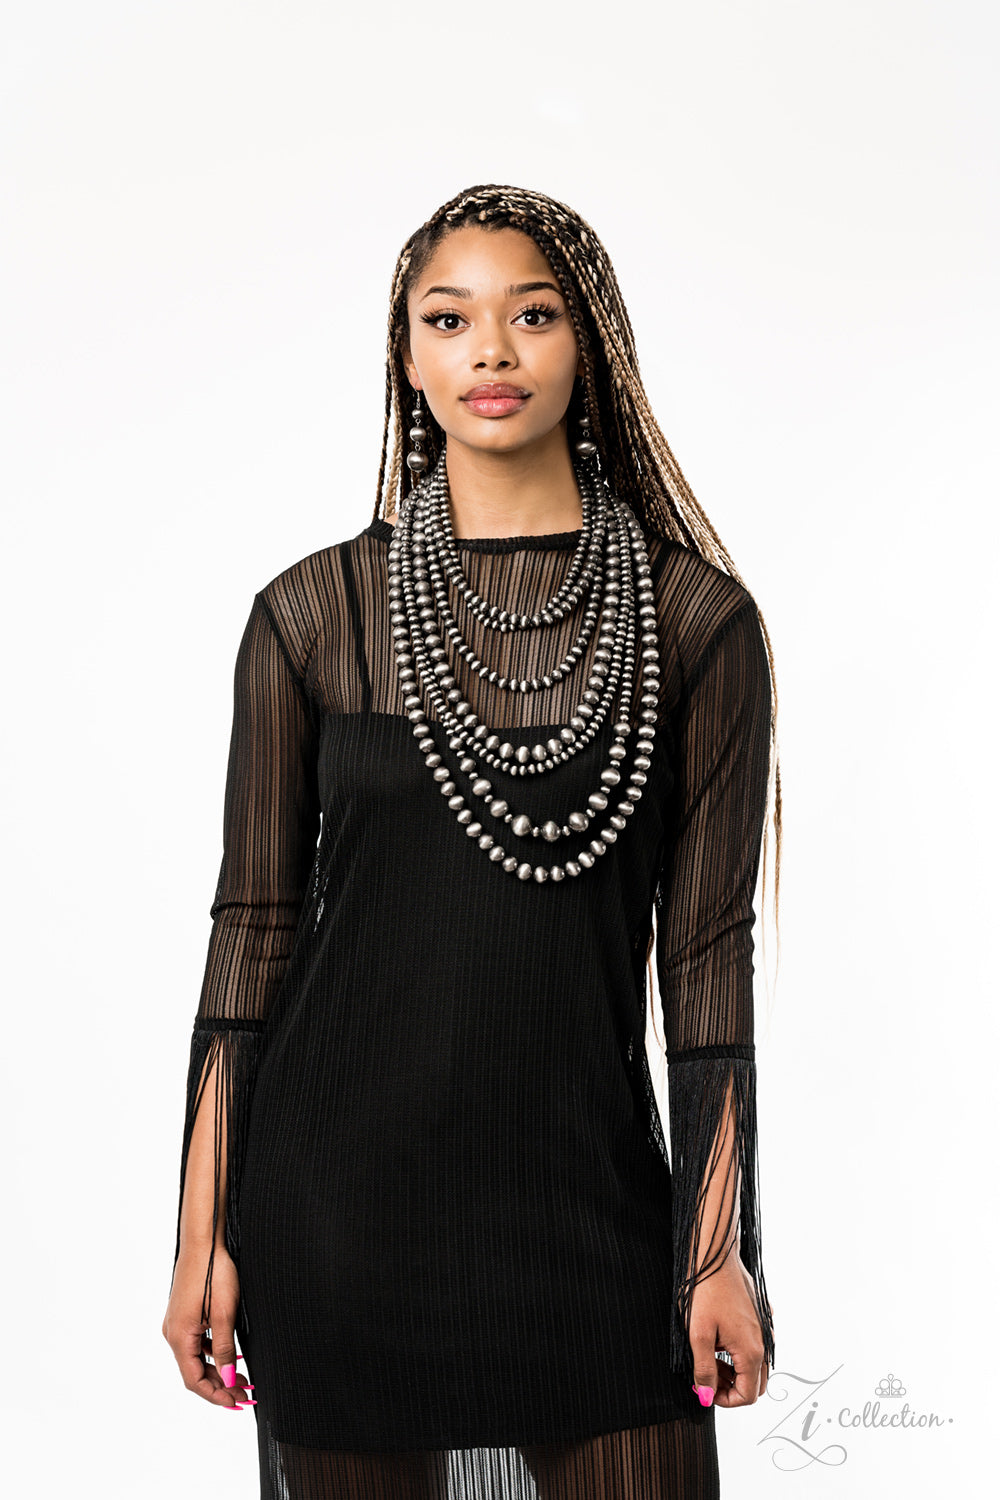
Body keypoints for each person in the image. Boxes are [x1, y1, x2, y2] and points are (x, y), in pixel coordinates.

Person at [162, 182, 782, 1500]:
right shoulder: (312, 616)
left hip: (591, 1214)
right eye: (448, 320)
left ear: (590, 344)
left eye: (532, 316)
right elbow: (253, 932)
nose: (490, 351)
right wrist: (198, 1233)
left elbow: (706, 958)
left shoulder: (696, 624)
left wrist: (720, 1247)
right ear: (407, 356)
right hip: (338, 1221)